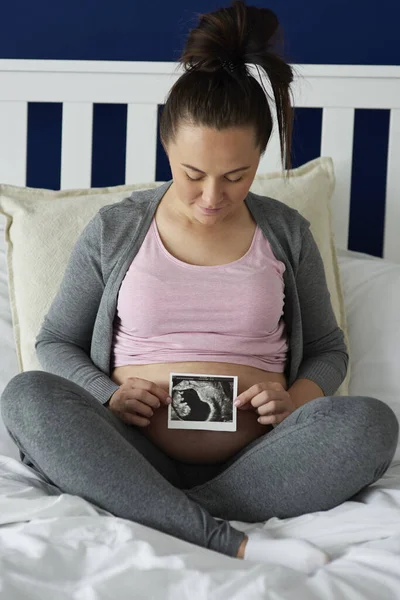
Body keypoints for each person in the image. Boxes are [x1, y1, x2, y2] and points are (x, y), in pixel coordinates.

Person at [1, 0, 398, 574]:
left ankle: (159, 513)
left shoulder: (286, 232)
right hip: (131, 449)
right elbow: (56, 341)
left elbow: (329, 352)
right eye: (193, 175)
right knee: (27, 396)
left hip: (262, 461)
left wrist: (294, 401)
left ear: (259, 157)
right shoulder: (116, 229)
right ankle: (224, 538)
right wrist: (109, 393)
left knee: (371, 424)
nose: (212, 196)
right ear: (167, 148)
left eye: (236, 176)